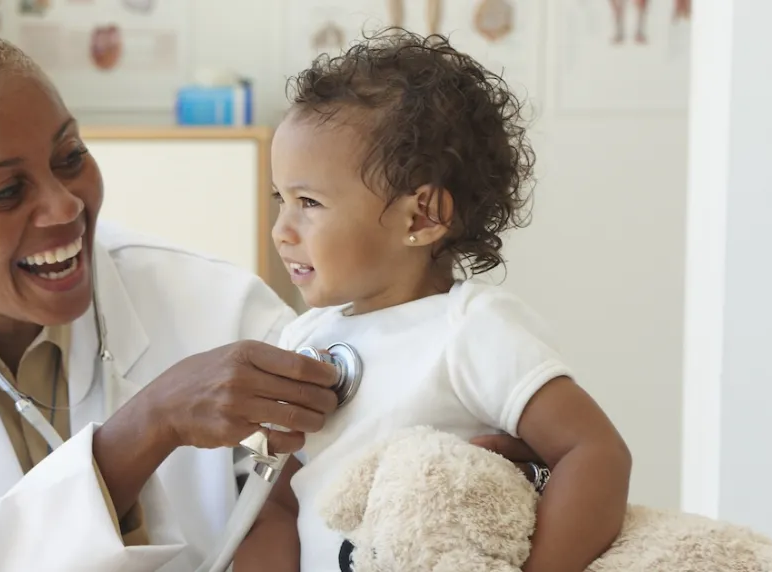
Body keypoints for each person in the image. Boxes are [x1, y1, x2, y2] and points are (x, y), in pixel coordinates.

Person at [0, 22, 543, 572]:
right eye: (5, 193)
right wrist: (144, 430)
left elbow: (348, 463)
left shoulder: (208, 303)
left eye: (71, 157)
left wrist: (458, 459)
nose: (64, 208)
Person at [236, 29, 633, 572]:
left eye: (309, 202)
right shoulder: (305, 339)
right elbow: (276, 500)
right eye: (281, 198)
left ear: (420, 217)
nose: (282, 229)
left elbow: (597, 455)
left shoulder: (470, 330)